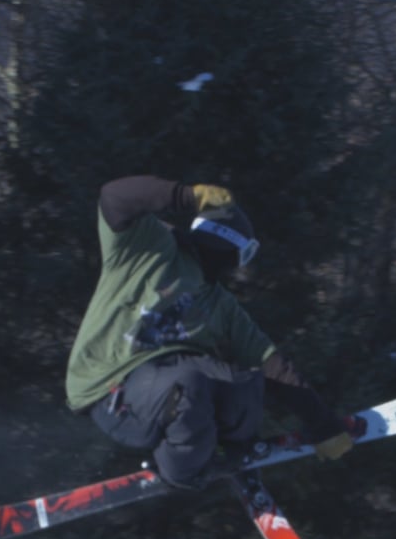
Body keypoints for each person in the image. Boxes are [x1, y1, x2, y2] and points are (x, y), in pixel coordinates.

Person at [65, 175, 361, 490]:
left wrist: (322, 423)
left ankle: (231, 451)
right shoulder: (148, 249)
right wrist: (186, 197)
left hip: (165, 389)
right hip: (111, 390)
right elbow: (114, 196)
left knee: (244, 381)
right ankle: (180, 469)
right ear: (232, 248)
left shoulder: (219, 304)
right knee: (189, 381)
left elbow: (272, 365)